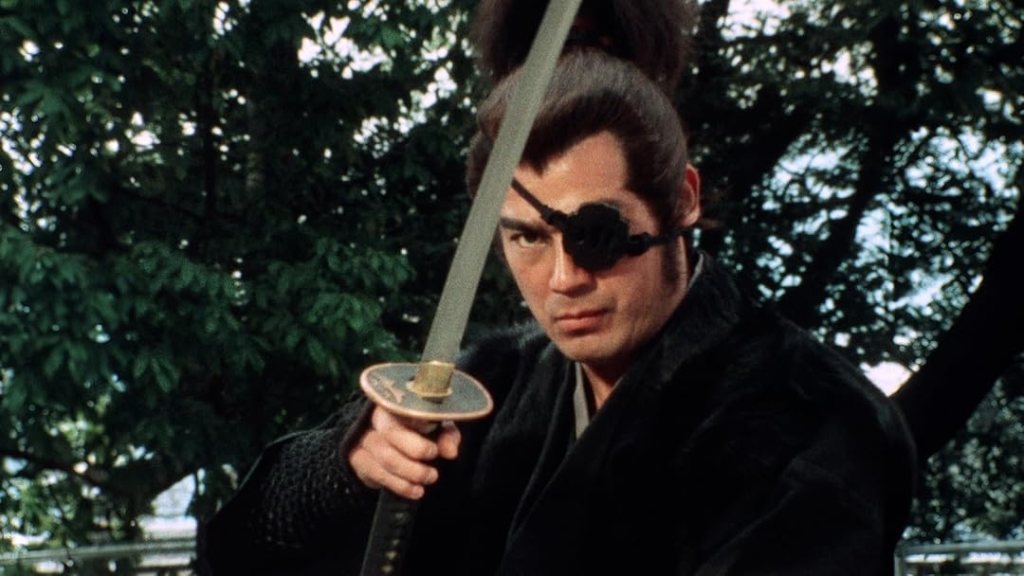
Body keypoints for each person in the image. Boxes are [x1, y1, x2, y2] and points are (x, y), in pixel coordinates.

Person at [198, 45, 916, 575]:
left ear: (682, 200)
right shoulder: (491, 385)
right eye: (527, 239)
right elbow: (239, 553)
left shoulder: (812, 417)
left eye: (596, 234)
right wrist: (349, 468)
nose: (564, 280)